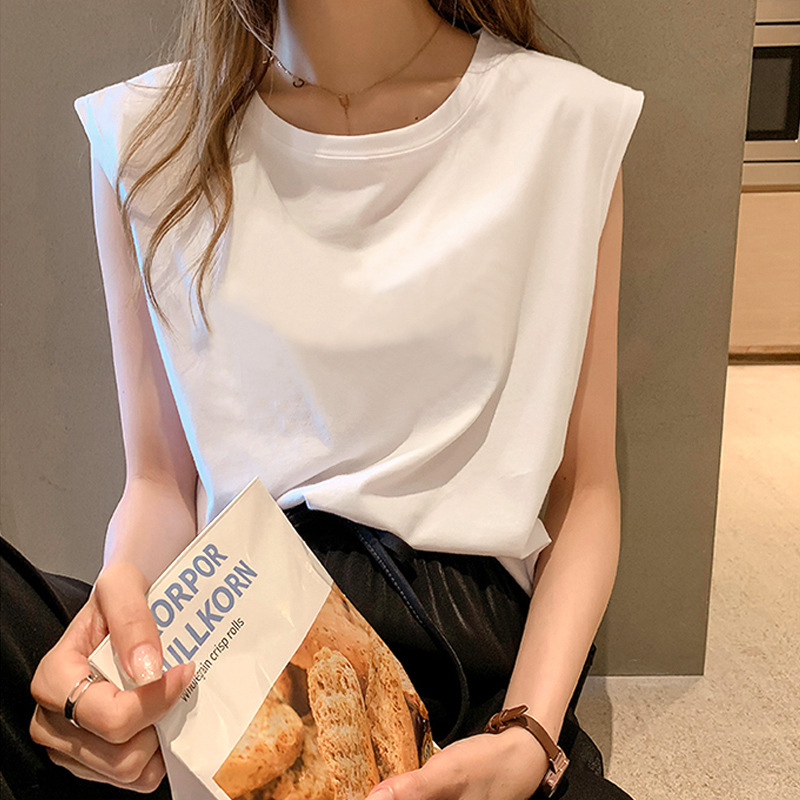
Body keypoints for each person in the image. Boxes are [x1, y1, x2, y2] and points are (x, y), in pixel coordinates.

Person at [1, 0, 646, 798]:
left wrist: (529, 734)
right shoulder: (149, 134)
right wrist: (123, 656)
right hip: (233, 646)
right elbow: (159, 482)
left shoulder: (566, 125)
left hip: (462, 672)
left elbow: (584, 491)